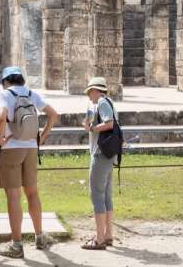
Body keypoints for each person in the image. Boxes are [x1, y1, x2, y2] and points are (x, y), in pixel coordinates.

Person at [0, 66, 59, 259]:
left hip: (11, 149)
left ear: (6, 81)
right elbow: (53, 114)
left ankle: (16, 245)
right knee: (32, 193)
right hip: (31, 148)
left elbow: (0, 116)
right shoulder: (32, 94)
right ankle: (40, 236)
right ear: (21, 80)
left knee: (13, 197)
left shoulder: (5, 94)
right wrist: (42, 138)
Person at [80, 77, 118, 250]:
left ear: (96, 90)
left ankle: (100, 239)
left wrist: (91, 129)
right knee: (106, 196)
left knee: (97, 196)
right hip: (110, 155)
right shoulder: (109, 102)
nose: (89, 96)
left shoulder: (102, 102)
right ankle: (107, 235)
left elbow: (109, 124)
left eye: (89, 92)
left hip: (101, 155)